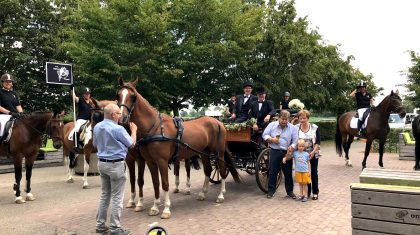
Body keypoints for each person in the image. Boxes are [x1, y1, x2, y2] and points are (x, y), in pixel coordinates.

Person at [93, 103, 137, 235]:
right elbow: (131, 144)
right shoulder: (118, 129)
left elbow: (95, 144)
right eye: (118, 113)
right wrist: (134, 130)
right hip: (116, 165)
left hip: (102, 163)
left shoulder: (97, 127)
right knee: (117, 197)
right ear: (113, 115)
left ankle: (100, 226)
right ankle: (115, 228)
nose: (120, 115)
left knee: (105, 195)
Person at [262, 110, 298, 199]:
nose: (284, 121)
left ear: (289, 119)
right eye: (283, 119)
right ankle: (271, 191)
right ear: (279, 118)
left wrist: (292, 147)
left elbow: (296, 140)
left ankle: (290, 192)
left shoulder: (293, 128)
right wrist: (271, 139)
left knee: (288, 172)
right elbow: (265, 134)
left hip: (287, 153)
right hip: (275, 151)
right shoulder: (272, 125)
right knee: (273, 172)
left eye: (286, 119)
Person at [295, 109, 320, 200]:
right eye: (300, 118)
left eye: (304, 118)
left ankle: (315, 192)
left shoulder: (314, 127)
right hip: (302, 155)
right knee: (305, 173)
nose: (302, 120)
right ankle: (307, 192)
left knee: (313, 172)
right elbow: (294, 140)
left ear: (308, 118)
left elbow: (318, 142)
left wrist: (313, 152)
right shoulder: (296, 127)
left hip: (313, 153)